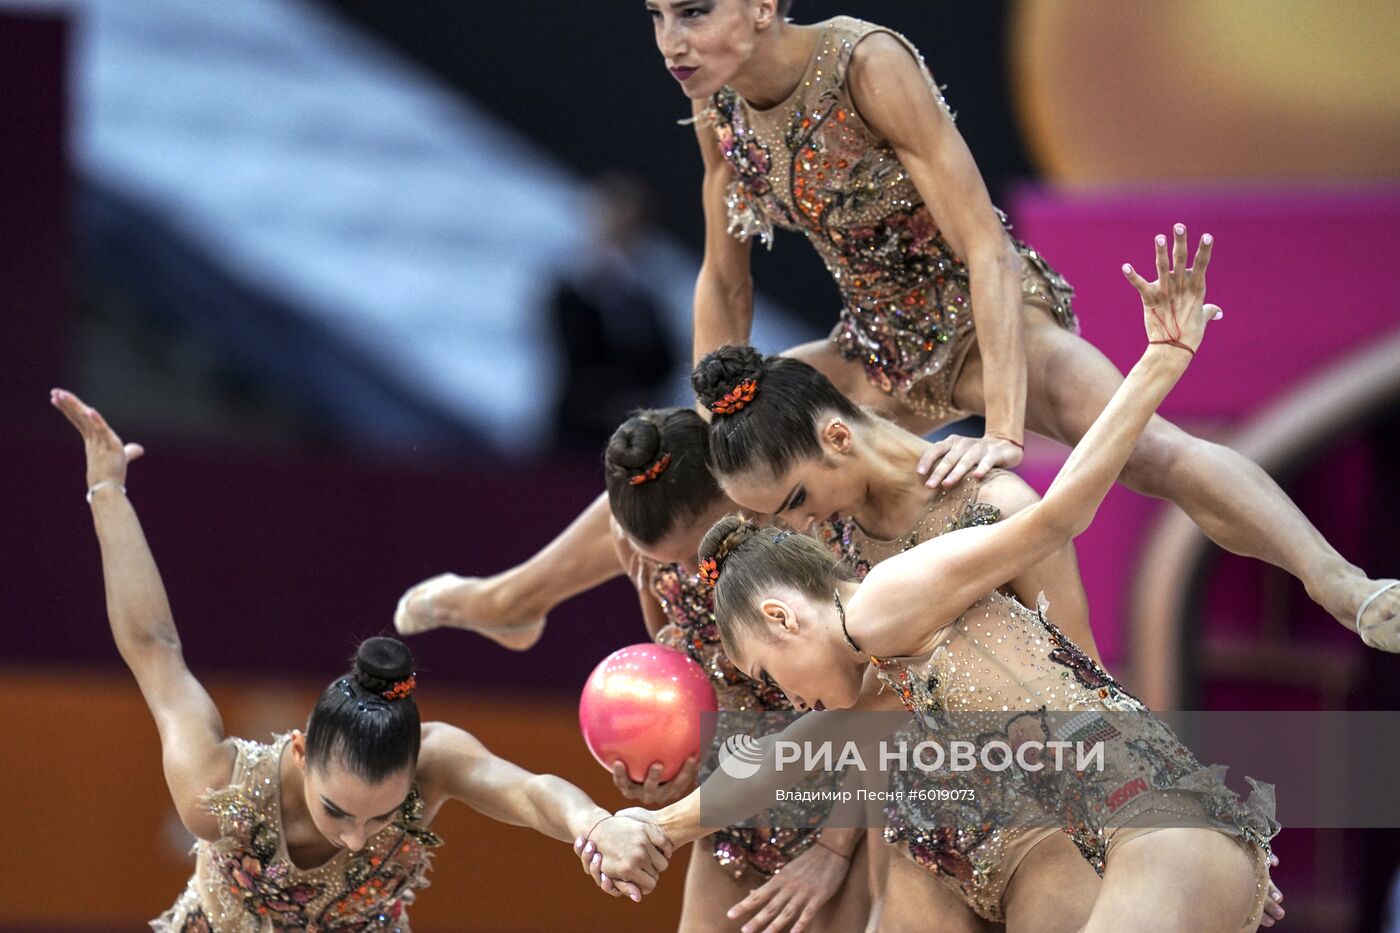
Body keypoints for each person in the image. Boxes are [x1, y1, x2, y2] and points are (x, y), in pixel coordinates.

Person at [647, 0, 1397, 643]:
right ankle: (526, 596)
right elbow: (722, 278)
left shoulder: (864, 63)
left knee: (1150, 451)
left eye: (692, 12)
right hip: (873, 346)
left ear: (762, 4)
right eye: (655, 15)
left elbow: (986, 248)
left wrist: (1003, 428)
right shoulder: (718, 108)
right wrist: (716, 420)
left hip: (981, 322)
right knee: (689, 456)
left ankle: (1344, 585)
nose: (671, 42)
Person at [628, 229, 1278, 932]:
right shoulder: (885, 656)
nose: (782, 696)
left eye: (768, 671)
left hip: (1150, 825)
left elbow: (1060, 513)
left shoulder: (884, 602)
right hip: (1146, 828)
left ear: (785, 617)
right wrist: (660, 823)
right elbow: (782, 759)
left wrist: (1158, 361)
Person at [50, 388, 669, 928]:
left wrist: (595, 825)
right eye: (337, 810)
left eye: (380, 819)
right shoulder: (222, 791)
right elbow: (155, 649)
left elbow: (532, 793)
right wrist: (106, 491)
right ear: (299, 748)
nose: (351, 838)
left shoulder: (433, 763)